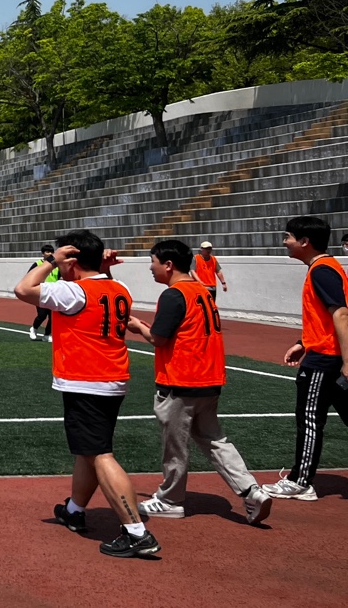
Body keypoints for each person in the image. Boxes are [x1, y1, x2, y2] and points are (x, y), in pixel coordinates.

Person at [13, 230, 160, 558]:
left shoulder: (73, 292)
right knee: (88, 451)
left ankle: (136, 531)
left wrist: (51, 261)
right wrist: (99, 267)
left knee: (100, 454)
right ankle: (75, 510)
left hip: (86, 380)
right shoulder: (118, 287)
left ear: (72, 260)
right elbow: (101, 288)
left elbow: (23, 289)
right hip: (111, 377)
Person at [125, 239, 272, 524]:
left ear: (168, 265)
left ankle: (170, 499)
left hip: (181, 379)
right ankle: (250, 490)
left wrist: (137, 326)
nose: (151, 268)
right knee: (215, 440)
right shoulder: (202, 291)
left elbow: (159, 338)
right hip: (209, 378)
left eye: (153, 262)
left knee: (175, 445)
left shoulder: (173, 294)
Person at [261, 216, 348, 501]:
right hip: (325, 353)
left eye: (288, 236)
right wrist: (302, 342)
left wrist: (347, 361)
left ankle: (300, 482)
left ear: (304, 241)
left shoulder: (322, 271)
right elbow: (326, 318)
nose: (285, 241)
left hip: (324, 360)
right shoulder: (326, 268)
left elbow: (341, 314)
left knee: (310, 419)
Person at [28, 245, 59, 342]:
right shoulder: (37, 264)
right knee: (42, 315)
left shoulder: (57, 266)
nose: (50, 254)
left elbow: (60, 277)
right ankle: (34, 328)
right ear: (43, 254)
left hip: (53, 293)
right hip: (40, 293)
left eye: (51, 252)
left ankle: (47, 335)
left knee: (52, 316)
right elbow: (29, 276)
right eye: (47, 252)